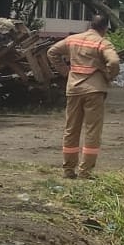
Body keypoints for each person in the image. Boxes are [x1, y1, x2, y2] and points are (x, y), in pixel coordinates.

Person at [47, 14, 120, 180]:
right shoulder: (103, 43)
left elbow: (52, 52)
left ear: (90, 25)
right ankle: (85, 171)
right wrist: (109, 75)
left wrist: (65, 71)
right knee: (92, 131)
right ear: (105, 28)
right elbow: (114, 62)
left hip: (73, 89)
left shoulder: (73, 40)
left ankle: (68, 170)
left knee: (71, 129)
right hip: (94, 90)